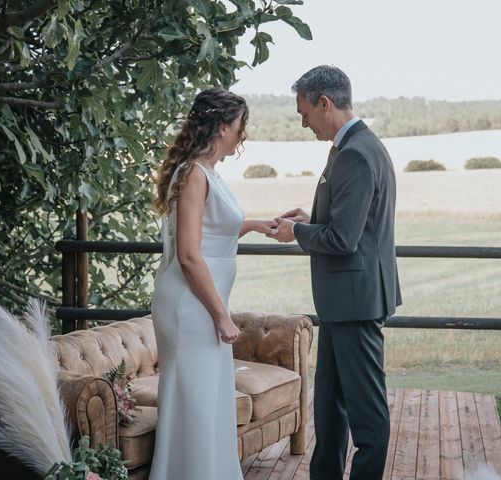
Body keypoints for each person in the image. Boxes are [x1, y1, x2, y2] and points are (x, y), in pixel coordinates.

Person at [267, 65, 402, 480]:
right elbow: (350, 224)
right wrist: (311, 218)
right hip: (342, 302)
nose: (303, 122)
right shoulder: (351, 147)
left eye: (305, 112)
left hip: (355, 302)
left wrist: (297, 232)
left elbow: (344, 239)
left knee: (367, 417)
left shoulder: (357, 153)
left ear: (324, 103)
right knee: (327, 407)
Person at [150, 88, 276, 480]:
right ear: (222, 127)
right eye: (240, 126)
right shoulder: (192, 175)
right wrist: (222, 315)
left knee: (207, 405)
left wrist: (256, 225)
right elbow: (189, 255)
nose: (243, 135)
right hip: (191, 307)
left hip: (202, 304)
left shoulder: (205, 172)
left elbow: (212, 233)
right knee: (198, 407)